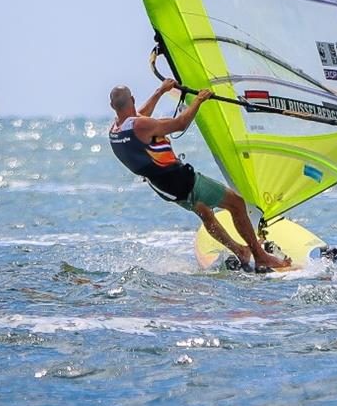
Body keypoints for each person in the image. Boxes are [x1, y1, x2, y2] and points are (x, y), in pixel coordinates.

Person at [108, 77, 290, 271]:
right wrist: (199, 100)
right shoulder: (140, 125)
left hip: (164, 188)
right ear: (133, 99)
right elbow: (179, 124)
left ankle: (240, 251)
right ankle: (260, 256)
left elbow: (138, 117)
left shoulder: (116, 130)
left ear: (112, 106)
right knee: (236, 203)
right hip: (182, 180)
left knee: (206, 214)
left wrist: (160, 92)